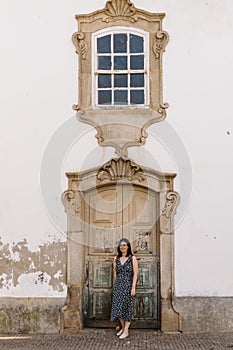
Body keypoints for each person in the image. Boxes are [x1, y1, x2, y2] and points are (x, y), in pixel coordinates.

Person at [110, 238, 138, 339]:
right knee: (117, 309)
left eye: (124, 245)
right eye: (121, 245)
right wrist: (116, 285)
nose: (122, 247)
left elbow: (135, 274)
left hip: (128, 286)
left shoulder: (132, 258)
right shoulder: (116, 258)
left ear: (128, 247)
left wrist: (133, 287)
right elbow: (115, 273)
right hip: (118, 286)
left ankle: (126, 331)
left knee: (127, 309)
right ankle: (123, 327)